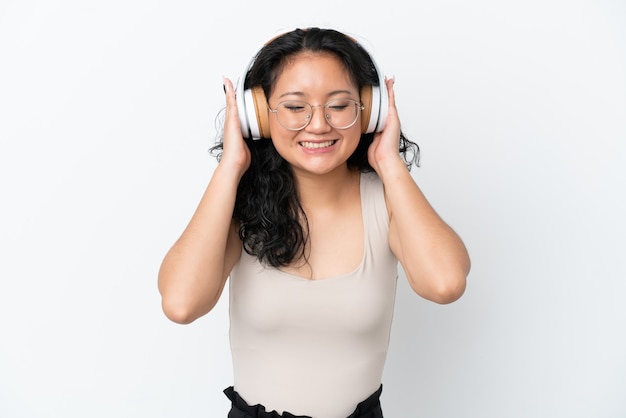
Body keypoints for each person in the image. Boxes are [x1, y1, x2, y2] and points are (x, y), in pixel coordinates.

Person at [158, 27, 470, 418]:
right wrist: (231, 166)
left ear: (369, 110)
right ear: (260, 116)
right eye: (294, 107)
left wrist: (390, 165)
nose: (319, 124)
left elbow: (445, 284)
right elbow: (181, 304)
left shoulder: (390, 201)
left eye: (339, 106)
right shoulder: (237, 206)